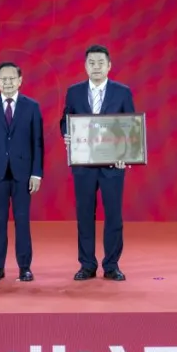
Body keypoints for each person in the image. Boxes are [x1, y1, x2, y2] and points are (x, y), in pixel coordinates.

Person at [60, 45, 134, 281]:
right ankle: (87, 265)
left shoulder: (122, 92)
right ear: (85, 66)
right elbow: (65, 120)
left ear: (109, 66)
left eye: (101, 63)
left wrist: (127, 155)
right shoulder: (74, 92)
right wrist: (67, 134)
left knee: (113, 215)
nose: (96, 67)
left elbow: (131, 126)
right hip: (83, 164)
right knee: (84, 215)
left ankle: (111, 265)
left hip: (113, 165)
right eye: (91, 63)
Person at [0, 62, 44, 282]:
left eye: (11, 78)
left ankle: (25, 267)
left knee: (22, 221)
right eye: (3, 79)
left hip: (23, 174)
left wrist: (36, 174)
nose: (7, 82)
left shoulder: (31, 106)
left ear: (20, 80)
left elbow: (38, 142)